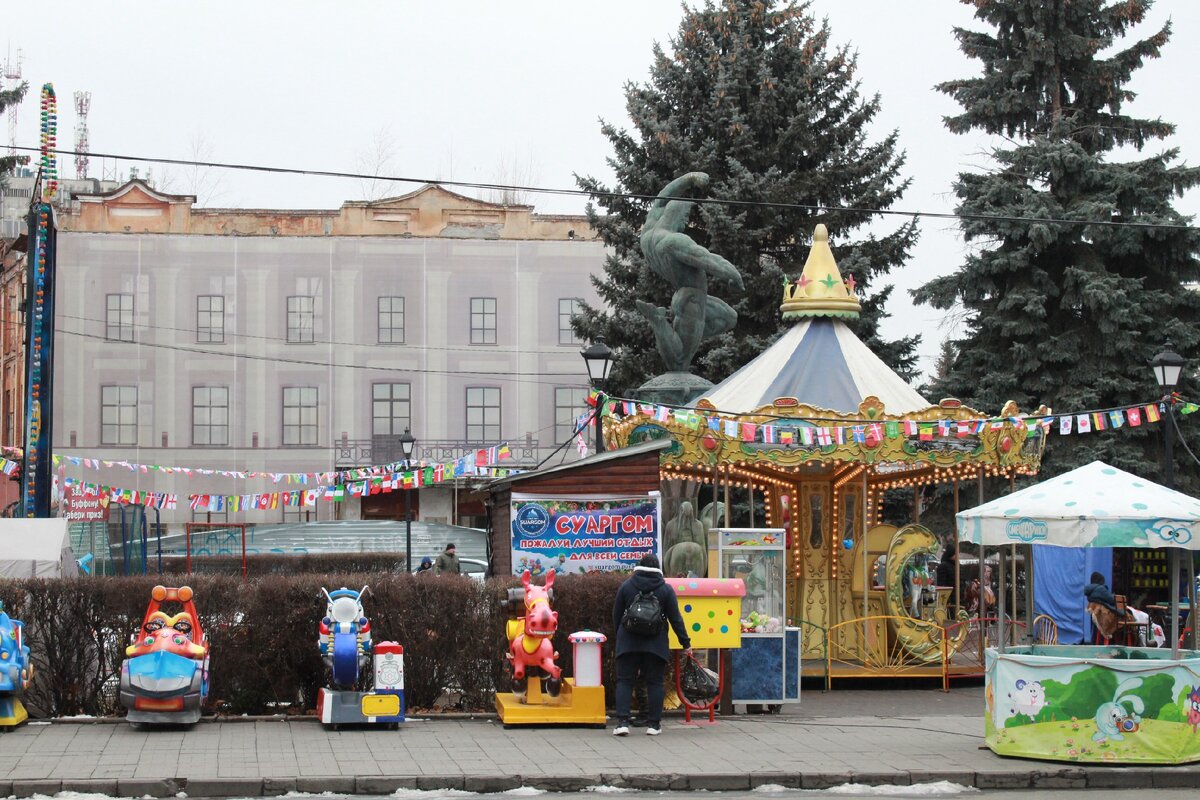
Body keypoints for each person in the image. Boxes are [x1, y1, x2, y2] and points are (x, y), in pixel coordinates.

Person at [611, 553, 692, 737]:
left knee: (625, 681)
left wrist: (620, 637)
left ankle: (623, 723)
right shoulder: (666, 589)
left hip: (628, 642)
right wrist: (685, 643)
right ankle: (654, 725)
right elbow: (675, 619)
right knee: (655, 683)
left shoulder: (627, 586)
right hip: (655, 644)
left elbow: (616, 615)